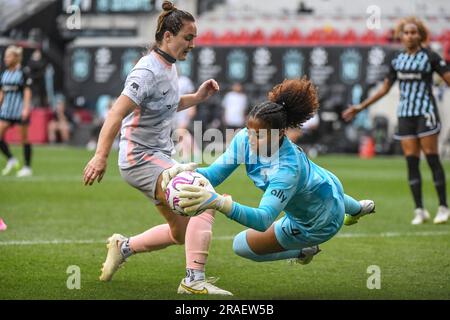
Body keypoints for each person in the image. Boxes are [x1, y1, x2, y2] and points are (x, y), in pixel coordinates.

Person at [83, 1, 232, 295]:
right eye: (188, 38)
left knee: (181, 232)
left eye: (194, 38)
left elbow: (167, 105)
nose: (192, 44)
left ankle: (122, 247)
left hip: (158, 157)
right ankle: (193, 282)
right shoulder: (147, 71)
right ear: (167, 36)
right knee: (202, 196)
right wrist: (100, 156)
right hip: (139, 159)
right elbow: (115, 113)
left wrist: (197, 97)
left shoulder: (168, 65)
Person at [165, 78, 375, 267]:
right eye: (249, 131)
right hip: (327, 185)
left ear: (281, 133)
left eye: (260, 135)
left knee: (240, 246)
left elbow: (263, 219)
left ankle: (304, 249)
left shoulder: (286, 170)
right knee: (323, 194)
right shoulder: (244, 140)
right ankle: (357, 209)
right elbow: (215, 174)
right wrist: (184, 171)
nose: (251, 140)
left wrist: (219, 202)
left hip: (318, 223)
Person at [342, 17, 450, 225]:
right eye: (406, 33)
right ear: (400, 36)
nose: (409, 36)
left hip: (426, 113)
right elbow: (384, 89)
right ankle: (419, 210)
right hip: (405, 115)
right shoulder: (397, 59)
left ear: (420, 35)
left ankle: (443, 207)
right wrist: (360, 107)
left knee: (432, 159)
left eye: (413, 32)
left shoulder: (430, 57)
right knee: (411, 162)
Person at [0, 45, 33, 177]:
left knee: (24, 139)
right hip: (6, 111)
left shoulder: (23, 73)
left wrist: (26, 108)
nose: (5, 59)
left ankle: (27, 167)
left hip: (19, 111)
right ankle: (11, 159)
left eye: (8, 56)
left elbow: (27, 91)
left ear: (16, 57)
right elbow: (2, 92)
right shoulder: (4, 73)